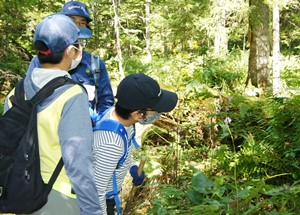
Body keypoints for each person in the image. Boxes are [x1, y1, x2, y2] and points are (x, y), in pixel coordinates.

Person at [4, 14, 102, 214]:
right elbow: (78, 162)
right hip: (58, 197)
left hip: (22, 191)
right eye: (78, 44)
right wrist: (93, 210)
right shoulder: (71, 94)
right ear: (69, 51)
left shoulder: (17, 91)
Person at [92, 73, 178, 215]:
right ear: (138, 113)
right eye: (155, 110)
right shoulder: (111, 143)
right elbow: (96, 193)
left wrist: (131, 166)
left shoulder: (123, 120)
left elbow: (122, 154)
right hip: (101, 202)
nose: (158, 114)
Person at [27, 1, 114, 114]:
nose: (77, 27)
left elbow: (106, 103)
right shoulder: (41, 61)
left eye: (82, 23)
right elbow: (28, 98)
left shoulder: (95, 64)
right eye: (72, 21)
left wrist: (96, 125)